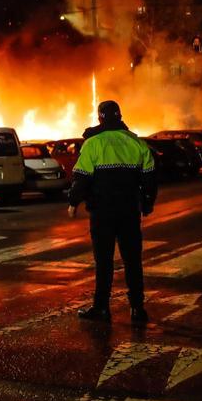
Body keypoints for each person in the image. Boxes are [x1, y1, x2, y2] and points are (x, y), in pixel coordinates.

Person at [67, 100, 157, 325]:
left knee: (104, 261)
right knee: (133, 260)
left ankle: (101, 308)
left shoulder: (93, 144)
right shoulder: (136, 142)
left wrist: (73, 202)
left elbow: (81, 178)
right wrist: (147, 203)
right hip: (129, 210)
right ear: (120, 116)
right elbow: (150, 178)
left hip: (102, 212)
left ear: (100, 118)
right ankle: (137, 308)